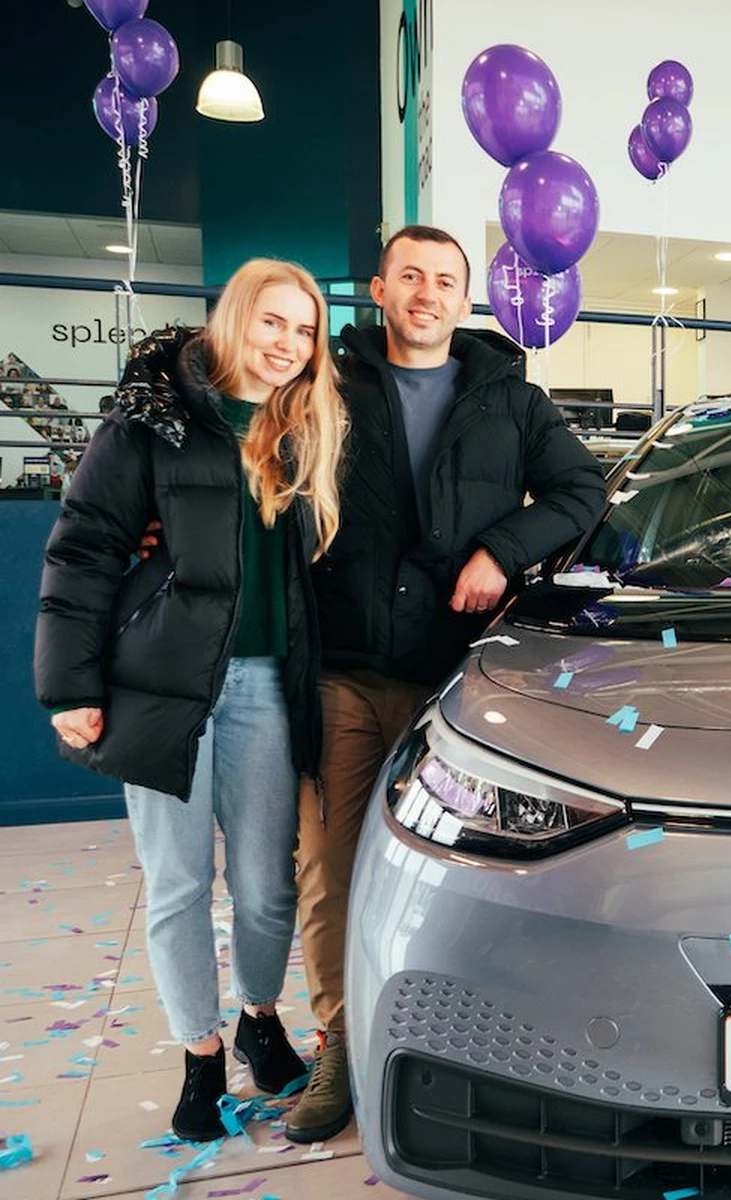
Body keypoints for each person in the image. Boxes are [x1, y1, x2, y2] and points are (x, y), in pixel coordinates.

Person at [284, 224, 610, 1142]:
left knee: (472, 874)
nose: (428, 293)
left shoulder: (509, 395)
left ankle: (466, 1039)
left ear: (467, 299)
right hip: (346, 669)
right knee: (332, 868)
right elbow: (250, 477)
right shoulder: (327, 383)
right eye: (411, 276)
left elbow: (584, 489)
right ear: (380, 290)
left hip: (464, 677)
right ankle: (342, 1049)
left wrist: (501, 553)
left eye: (446, 280)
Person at [35, 260, 346, 1141]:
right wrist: (69, 686)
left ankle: (258, 1016)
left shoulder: (308, 431)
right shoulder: (152, 419)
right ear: (234, 320)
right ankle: (200, 1055)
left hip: (265, 687)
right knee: (176, 885)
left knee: (264, 887)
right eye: (273, 323)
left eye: (305, 330)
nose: (288, 345)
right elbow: (83, 549)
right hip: (159, 686)